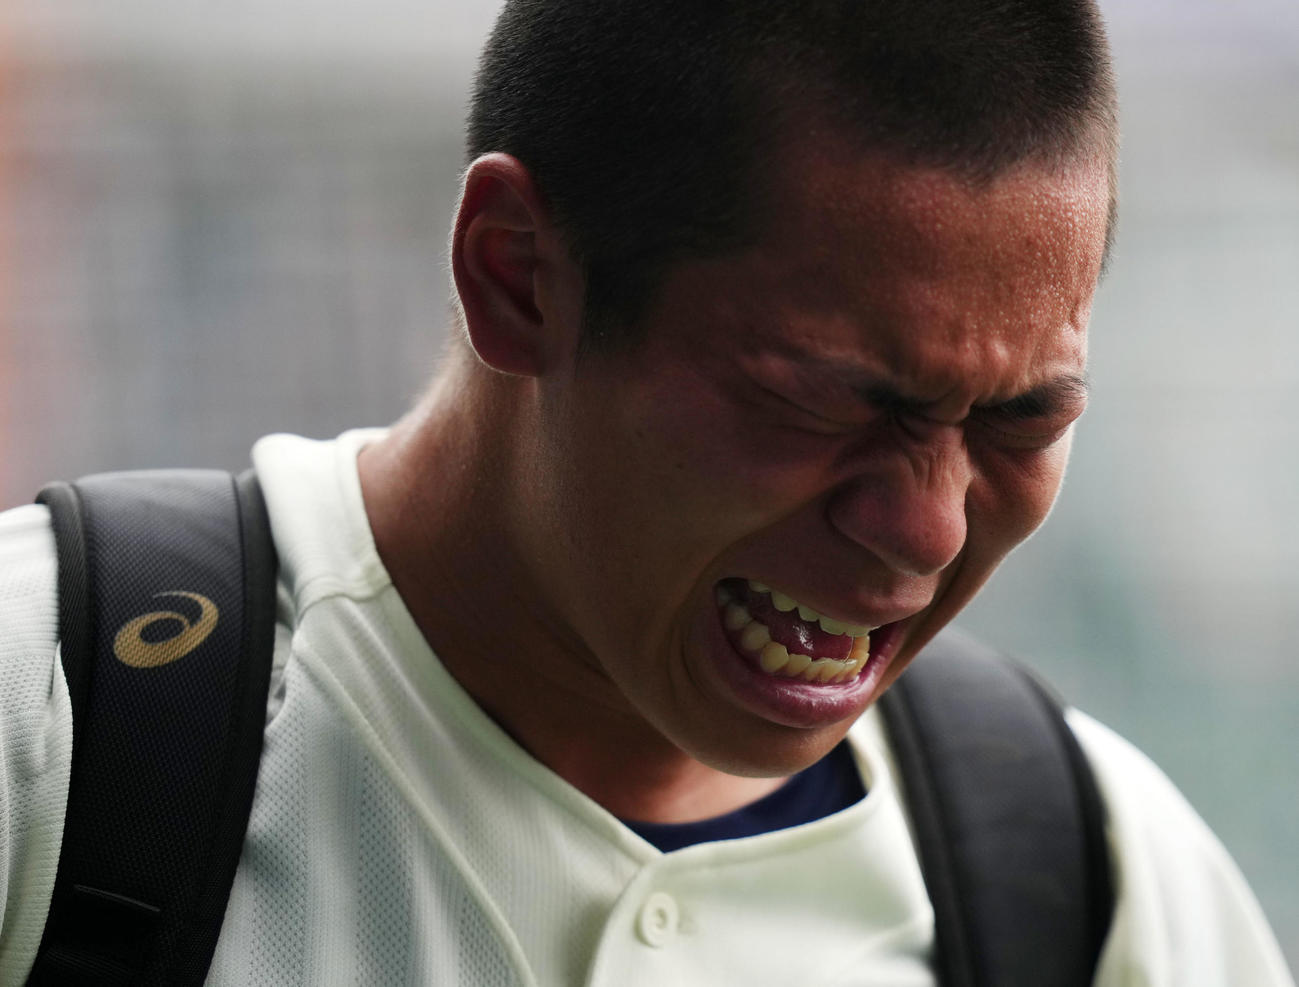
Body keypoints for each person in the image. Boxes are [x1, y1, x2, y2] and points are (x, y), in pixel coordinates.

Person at [0, 0, 1292, 984]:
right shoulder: (52, 737)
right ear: (517, 279)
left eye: (1024, 418)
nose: (927, 528)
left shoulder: (1085, 873)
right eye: (829, 401)